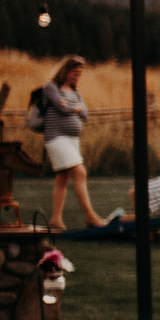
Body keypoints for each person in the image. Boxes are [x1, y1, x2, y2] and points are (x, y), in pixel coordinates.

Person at [40, 56, 109, 230]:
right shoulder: (51, 87)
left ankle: (55, 219)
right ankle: (90, 216)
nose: (76, 77)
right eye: (74, 73)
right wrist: (74, 107)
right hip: (56, 138)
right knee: (80, 172)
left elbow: (85, 114)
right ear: (65, 71)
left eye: (79, 74)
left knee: (62, 178)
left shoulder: (74, 91)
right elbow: (62, 108)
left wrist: (72, 106)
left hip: (72, 140)